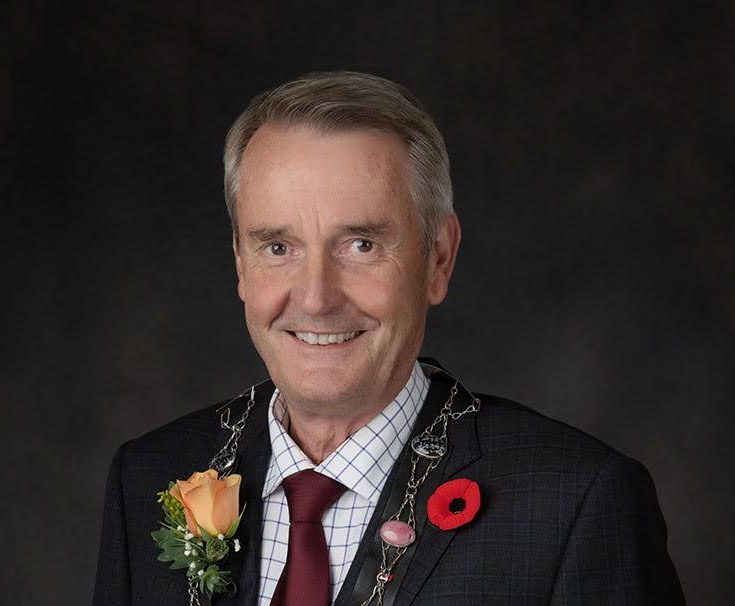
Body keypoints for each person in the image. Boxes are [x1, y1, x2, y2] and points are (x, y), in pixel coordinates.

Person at [93, 72, 685, 606]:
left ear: (438, 259)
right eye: (279, 247)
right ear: (240, 266)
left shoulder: (574, 502)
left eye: (362, 245)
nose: (317, 297)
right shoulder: (149, 475)